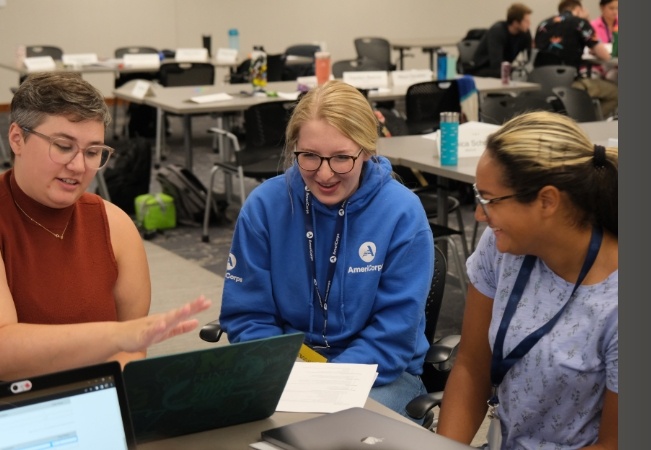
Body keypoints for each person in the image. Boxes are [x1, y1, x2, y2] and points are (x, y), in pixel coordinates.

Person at [219, 80, 434, 420]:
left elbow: (392, 337)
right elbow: (247, 315)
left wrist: (323, 385)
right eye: (309, 157)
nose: (324, 174)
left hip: (378, 377)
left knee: (322, 433)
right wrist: (283, 372)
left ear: (366, 150)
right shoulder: (265, 205)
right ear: (294, 149)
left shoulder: (401, 213)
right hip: (287, 371)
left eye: (341, 159)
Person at [0, 72, 211, 381]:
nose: (79, 166)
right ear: (17, 138)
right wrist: (117, 336)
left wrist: (114, 402)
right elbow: (5, 352)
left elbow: (132, 349)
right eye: (62, 146)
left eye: (93, 151)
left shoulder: (115, 225)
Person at [437, 111, 618, 449]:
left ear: (547, 201)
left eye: (488, 201)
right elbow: (472, 368)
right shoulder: (503, 246)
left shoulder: (617, 303)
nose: (478, 215)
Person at [534, 0, 618, 118]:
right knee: (616, 92)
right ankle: (587, 119)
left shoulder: (543, 24)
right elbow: (605, 55)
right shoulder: (580, 23)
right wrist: (586, 21)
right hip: (571, 83)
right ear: (579, 9)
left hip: (541, 82)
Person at [471, 3, 533, 78]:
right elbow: (496, 65)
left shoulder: (525, 33)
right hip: (483, 69)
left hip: (503, 69)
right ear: (515, 23)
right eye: (526, 21)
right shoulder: (497, 31)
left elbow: (531, 58)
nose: (529, 24)